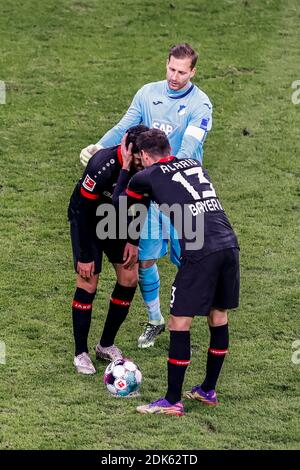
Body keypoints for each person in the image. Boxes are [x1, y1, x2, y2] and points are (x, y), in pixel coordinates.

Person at [79, 43, 213, 349]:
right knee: (143, 259)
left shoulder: (200, 105)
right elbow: (126, 127)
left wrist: (163, 179)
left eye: (182, 71)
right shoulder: (147, 93)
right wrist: (99, 147)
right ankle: (155, 320)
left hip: (181, 198)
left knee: (191, 260)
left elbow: (189, 150)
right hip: (148, 196)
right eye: (171, 68)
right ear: (165, 64)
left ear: (193, 71)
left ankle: (191, 319)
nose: (174, 76)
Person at [118, 129, 239, 416]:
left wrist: (125, 166)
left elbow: (122, 203)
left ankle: (172, 401)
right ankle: (207, 390)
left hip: (200, 251)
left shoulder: (145, 176)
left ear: (145, 156)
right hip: (228, 244)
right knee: (218, 316)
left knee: (178, 323)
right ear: (169, 148)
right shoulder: (194, 164)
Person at [68, 125, 149, 375]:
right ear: (126, 148)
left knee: (129, 277)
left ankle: (105, 344)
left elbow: (141, 202)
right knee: (88, 283)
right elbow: (82, 210)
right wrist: (84, 255)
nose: (142, 164)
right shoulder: (101, 164)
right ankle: (80, 353)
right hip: (88, 221)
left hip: (116, 221)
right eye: (137, 159)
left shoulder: (146, 166)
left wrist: (133, 241)